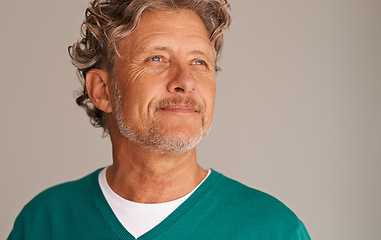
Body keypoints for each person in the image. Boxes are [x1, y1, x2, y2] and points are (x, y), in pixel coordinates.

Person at [8, 0, 311, 239]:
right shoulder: (44, 222)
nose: (186, 81)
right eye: (157, 58)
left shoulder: (274, 230)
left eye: (199, 62)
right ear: (102, 91)